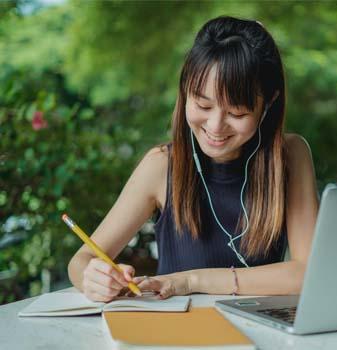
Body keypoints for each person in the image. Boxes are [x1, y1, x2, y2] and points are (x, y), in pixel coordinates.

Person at [68, 15, 319, 302]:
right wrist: (94, 277)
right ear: (185, 90)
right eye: (203, 105)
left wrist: (192, 280)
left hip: (259, 336)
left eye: (236, 113)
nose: (215, 126)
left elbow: (307, 273)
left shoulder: (290, 156)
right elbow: (82, 259)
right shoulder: (161, 166)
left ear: (269, 102)